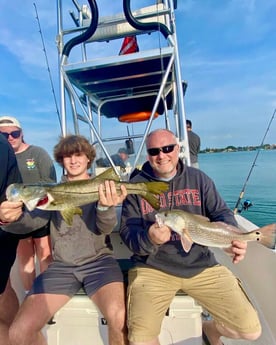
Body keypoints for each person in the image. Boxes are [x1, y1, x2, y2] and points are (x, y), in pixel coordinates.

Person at [119, 129, 261, 345]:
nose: (162, 155)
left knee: (251, 331)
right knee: (139, 340)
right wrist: (150, 239)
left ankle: (210, 330)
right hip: (153, 268)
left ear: (178, 149)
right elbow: (128, 234)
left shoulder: (199, 179)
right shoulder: (136, 186)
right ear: (148, 155)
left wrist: (233, 238)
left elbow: (221, 213)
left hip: (201, 265)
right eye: (154, 151)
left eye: (167, 148)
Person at [9, 134, 129, 345]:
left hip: (99, 263)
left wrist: (105, 206)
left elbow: (106, 227)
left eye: (78, 155)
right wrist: (7, 220)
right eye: (67, 156)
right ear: (61, 161)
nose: (73, 160)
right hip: (62, 267)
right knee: (19, 332)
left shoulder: (100, 186)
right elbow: (32, 223)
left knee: (119, 319)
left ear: (88, 158)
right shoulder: (50, 192)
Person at [0, 116, 57, 295]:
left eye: (14, 133)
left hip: (41, 215)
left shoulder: (38, 153)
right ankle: (28, 295)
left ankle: (46, 295)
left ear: (21, 133)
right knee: (25, 260)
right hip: (17, 221)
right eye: (4, 135)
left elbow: (50, 182)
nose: (10, 137)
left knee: (45, 255)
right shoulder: (3, 158)